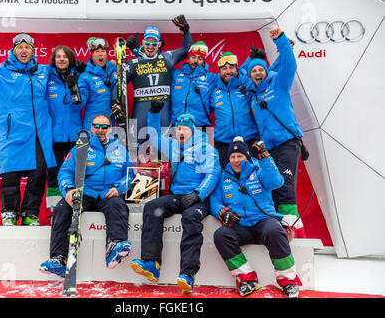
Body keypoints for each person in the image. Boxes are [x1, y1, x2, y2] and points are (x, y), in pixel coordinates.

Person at [0, 33, 56, 226]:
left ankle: (30, 214)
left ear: (33, 50)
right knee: (10, 175)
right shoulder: (1, 71)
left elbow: (63, 72)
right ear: (13, 49)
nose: (24, 50)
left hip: (38, 134)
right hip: (11, 132)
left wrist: (76, 69)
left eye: (28, 47)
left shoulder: (42, 71)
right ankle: (9, 213)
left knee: (38, 174)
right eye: (20, 47)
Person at [130, 100, 220, 294]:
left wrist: (198, 194)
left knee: (191, 218)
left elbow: (213, 173)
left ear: (192, 130)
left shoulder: (204, 148)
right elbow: (153, 136)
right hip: (177, 196)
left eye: (184, 129)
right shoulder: (173, 146)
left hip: (197, 198)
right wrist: (154, 114)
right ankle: (151, 263)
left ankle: (188, 273)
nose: (180, 132)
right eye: (178, 128)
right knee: (153, 207)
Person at [40, 114, 134, 277]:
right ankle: (59, 258)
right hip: (85, 193)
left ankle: (114, 246)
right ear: (91, 127)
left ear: (110, 128)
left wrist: (119, 188)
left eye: (104, 127)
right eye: (96, 126)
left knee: (118, 205)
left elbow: (129, 174)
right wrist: (69, 190)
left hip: (108, 193)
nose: (100, 130)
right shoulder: (81, 147)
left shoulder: (120, 149)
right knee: (62, 208)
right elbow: (65, 171)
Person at [210, 136, 302, 298]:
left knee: (274, 229)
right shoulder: (224, 177)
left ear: (247, 157)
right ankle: (246, 278)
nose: (236, 160)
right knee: (221, 235)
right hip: (241, 225)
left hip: (263, 221)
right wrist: (222, 212)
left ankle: (288, 281)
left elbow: (276, 182)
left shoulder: (258, 170)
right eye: (233, 157)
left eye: (240, 156)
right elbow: (215, 201)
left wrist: (265, 157)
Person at [246, 28, 306, 236]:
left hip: (288, 142)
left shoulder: (278, 84)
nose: (257, 73)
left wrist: (281, 41)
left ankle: (291, 226)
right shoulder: (253, 97)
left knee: (286, 184)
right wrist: (251, 60)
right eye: (253, 71)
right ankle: (289, 226)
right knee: (274, 185)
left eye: (260, 69)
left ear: (266, 71)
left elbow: (289, 65)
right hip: (270, 148)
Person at [123, 15, 193, 155]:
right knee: (136, 153)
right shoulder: (133, 62)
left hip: (162, 112)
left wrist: (185, 30)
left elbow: (186, 48)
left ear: (159, 44)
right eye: (147, 43)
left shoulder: (167, 57)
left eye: (154, 44)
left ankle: (164, 176)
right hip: (140, 112)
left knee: (164, 152)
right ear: (143, 43)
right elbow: (119, 84)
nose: (150, 47)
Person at [46, 45, 87, 213]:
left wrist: (74, 86)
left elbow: (81, 103)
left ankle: (75, 204)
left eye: (65, 56)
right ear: (54, 60)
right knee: (54, 173)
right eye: (58, 56)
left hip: (74, 135)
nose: (61, 59)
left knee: (76, 173)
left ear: (71, 59)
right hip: (54, 136)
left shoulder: (79, 76)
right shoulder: (47, 77)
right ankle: (55, 208)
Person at [210, 51, 259, 168]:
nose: (228, 71)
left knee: (252, 179)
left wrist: (249, 60)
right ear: (219, 71)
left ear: (236, 69)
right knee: (227, 180)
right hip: (224, 143)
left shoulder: (245, 85)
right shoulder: (213, 91)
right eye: (224, 68)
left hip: (248, 140)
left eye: (231, 67)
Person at [170, 41, 219, 129]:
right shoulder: (175, 74)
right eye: (193, 57)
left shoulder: (212, 78)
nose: (196, 61)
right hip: (177, 125)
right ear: (188, 59)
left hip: (201, 127)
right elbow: (158, 64)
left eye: (200, 58)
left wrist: (250, 61)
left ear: (204, 62)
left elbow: (231, 75)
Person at [79, 37, 118, 132]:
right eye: (97, 51)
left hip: (110, 122)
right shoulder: (85, 76)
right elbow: (80, 103)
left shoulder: (115, 70)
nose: (101, 54)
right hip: (93, 124)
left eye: (103, 51)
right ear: (91, 55)